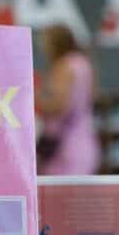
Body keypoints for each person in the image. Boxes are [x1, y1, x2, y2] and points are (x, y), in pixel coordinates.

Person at [35, 24, 100, 175]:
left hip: (65, 150)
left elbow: (59, 105)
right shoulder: (84, 63)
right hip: (86, 143)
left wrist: (31, 97)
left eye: (45, 43)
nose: (44, 49)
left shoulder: (64, 66)